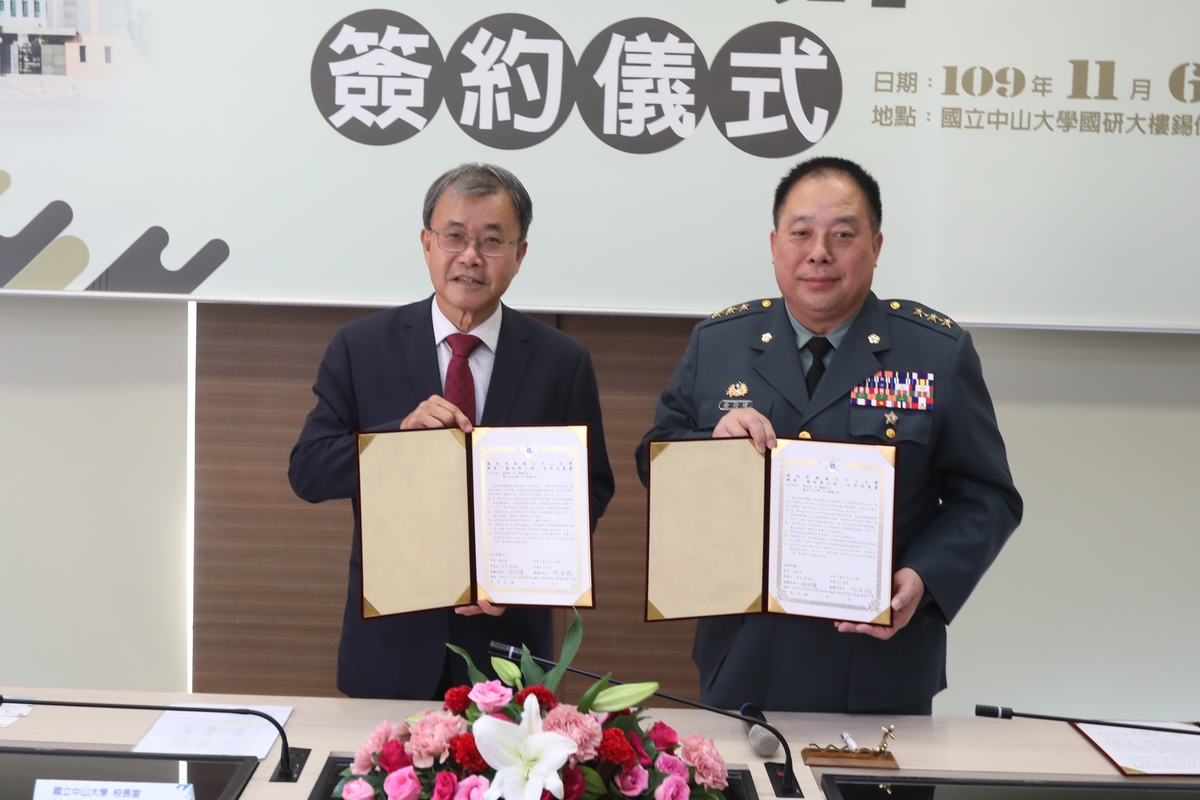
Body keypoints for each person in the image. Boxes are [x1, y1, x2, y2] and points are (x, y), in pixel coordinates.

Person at [636, 156, 1021, 714]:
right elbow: (655, 460)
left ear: (876, 246)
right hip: (745, 658)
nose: (819, 252)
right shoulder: (718, 343)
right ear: (774, 245)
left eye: (842, 234)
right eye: (801, 234)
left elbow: (988, 496)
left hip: (879, 663)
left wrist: (925, 577)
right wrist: (709, 446)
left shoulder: (935, 352)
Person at [290, 163, 614, 700]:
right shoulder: (360, 346)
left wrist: (524, 579)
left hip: (508, 650)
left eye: (491, 241)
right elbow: (309, 470)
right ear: (426, 244)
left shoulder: (563, 361)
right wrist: (397, 438)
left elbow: (591, 491)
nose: (470, 256)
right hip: (390, 643)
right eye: (455, 237)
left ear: (519, 255)